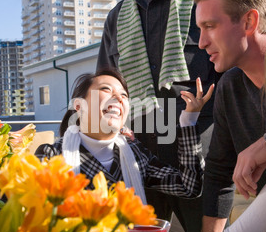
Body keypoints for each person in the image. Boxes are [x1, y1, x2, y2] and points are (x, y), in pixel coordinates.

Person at [127, 34, 266, 232]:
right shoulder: (57, 154)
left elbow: (191, 184)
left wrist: (188, 124)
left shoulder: (138, 157)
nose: (204, 43)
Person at [97, 0, 220, 232]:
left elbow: (236, 77)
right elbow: (105, 88)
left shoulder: (205, 2)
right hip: (141, 164)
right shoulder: (116, 19)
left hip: (202, 162)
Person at [35, 68, 213, 200]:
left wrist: (189, 120)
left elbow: (190, 187)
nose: (119, 98)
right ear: (79, 106)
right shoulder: (53, 156)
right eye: (106, 89)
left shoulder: (134, 153)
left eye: (124, 95)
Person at [192, 0, 266, 232]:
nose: (201, 42)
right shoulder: (230, 86)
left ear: (249, 21)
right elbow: (218, 171)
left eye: (210, 26)